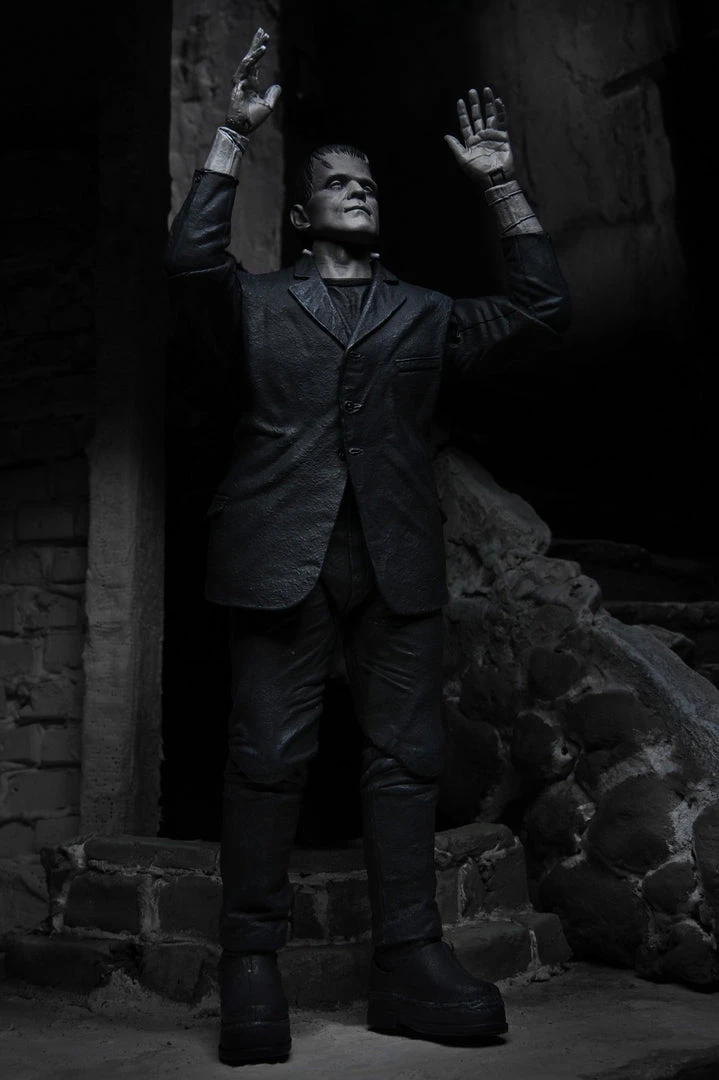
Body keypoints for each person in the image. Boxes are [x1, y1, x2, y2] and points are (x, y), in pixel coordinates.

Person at [166, 26, 570, 1068]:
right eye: (336, 182)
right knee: (267, 758)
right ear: (303, 216)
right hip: (277, 556)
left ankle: (409, 960)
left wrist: (500, 184)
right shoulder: (256, 304)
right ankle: (250, 963)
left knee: (405, 760)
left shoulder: (424, 314)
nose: (357, 189)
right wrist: (231, 135)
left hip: (395, 561)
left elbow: (539, 309)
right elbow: (189, 260)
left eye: (368, 183)